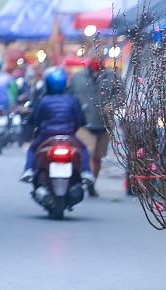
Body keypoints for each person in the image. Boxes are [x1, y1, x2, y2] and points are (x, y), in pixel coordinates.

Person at [19, 67, 94, 184]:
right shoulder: (71, 99)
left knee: (32, 149)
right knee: (83, 149)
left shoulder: (43, 100)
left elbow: (36, 119)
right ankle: (86, 172)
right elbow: (80, 119)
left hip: (46, 135)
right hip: (68, 135)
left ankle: (28, 170)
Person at [66, 59, 123, 197]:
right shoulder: (77, 77)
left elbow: (121, 95)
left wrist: (112, 104)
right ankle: (82, 179)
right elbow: (68, 96)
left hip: (104, 124)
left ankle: (92, 183)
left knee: (98, 157)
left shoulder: (113, 76)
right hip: (84, 123)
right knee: (88, 153)